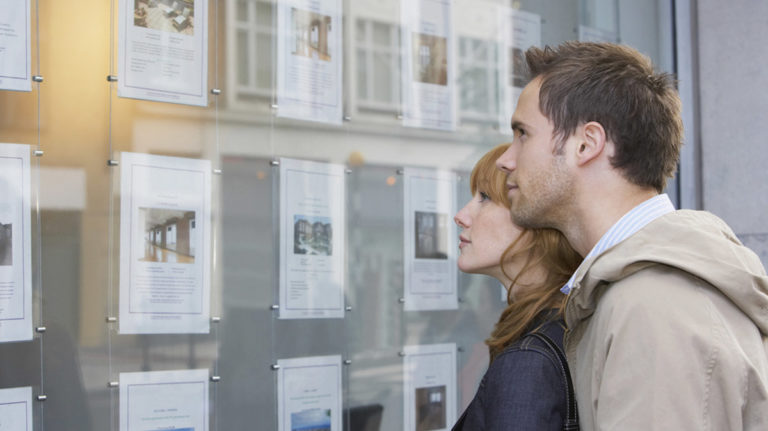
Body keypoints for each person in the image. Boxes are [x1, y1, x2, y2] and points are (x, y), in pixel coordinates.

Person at [496, 41, 768, 429]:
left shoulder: (653, 306)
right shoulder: (640, 290)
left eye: (523, 134)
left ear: (586, 144)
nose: (506, 159)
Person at [452, 144, 582, 430]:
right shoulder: (566, 326)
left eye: (484, 198)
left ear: (535, 220)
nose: (461, 216)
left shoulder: (527, 362)